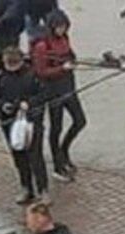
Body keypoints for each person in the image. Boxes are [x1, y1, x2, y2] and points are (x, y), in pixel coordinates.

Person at [0, 47, 49, 205]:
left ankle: (43, 190)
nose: (10, 67)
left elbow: (44, 94)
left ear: (21, 61)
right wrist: (2, 106)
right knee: (18, 156)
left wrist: (29, 103)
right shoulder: (0, 76)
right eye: (8, 64)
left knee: (35, 156)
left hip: (31, 122)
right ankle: (26, 188)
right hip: (9, 122)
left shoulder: (33, 75)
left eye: (13, 64)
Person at [31, 10, 85, 181]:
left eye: (65, 27)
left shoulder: (64, 38)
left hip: (68, 87)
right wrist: (62, 68)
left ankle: (64, 149)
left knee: (80, 121)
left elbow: (70, 54)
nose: (62, 30)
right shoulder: (42, 45)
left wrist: (73, 61)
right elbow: (41, 71)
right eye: (59, 27)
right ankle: (57, 165)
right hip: (53, 91)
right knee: (56, 127)